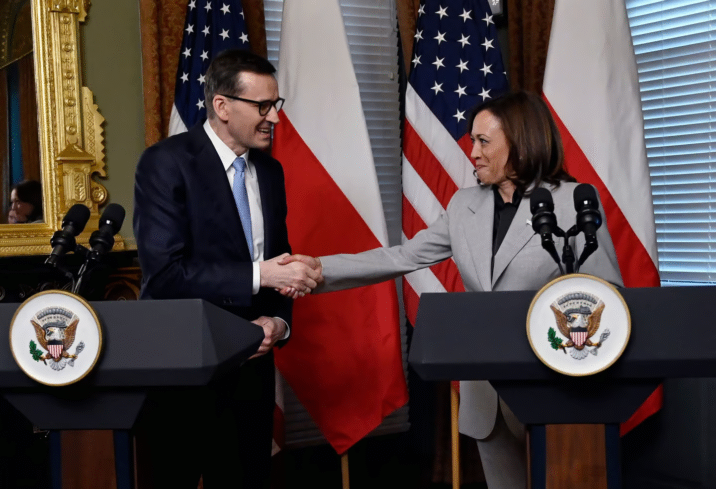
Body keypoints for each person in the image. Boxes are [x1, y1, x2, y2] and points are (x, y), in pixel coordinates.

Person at [281, 91, 624, 489]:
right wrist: (320, 269)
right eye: (472, 140)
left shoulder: (572, 201)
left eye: (483, 141)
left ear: (521, 141)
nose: (473, 152)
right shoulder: (464, 205)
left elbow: (607, 294)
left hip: (553, 387)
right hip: (486, 392)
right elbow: (405, 256)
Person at [133, 49, 320, 488]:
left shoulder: (270, 172)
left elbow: (279, 259)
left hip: (251, 376)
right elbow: (166, 275)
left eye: (276, 104)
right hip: (184, 371)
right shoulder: (166, 163)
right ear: (222, 106)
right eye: (263, 106)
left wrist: (278, 322)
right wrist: (261, 275)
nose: (275, 117)